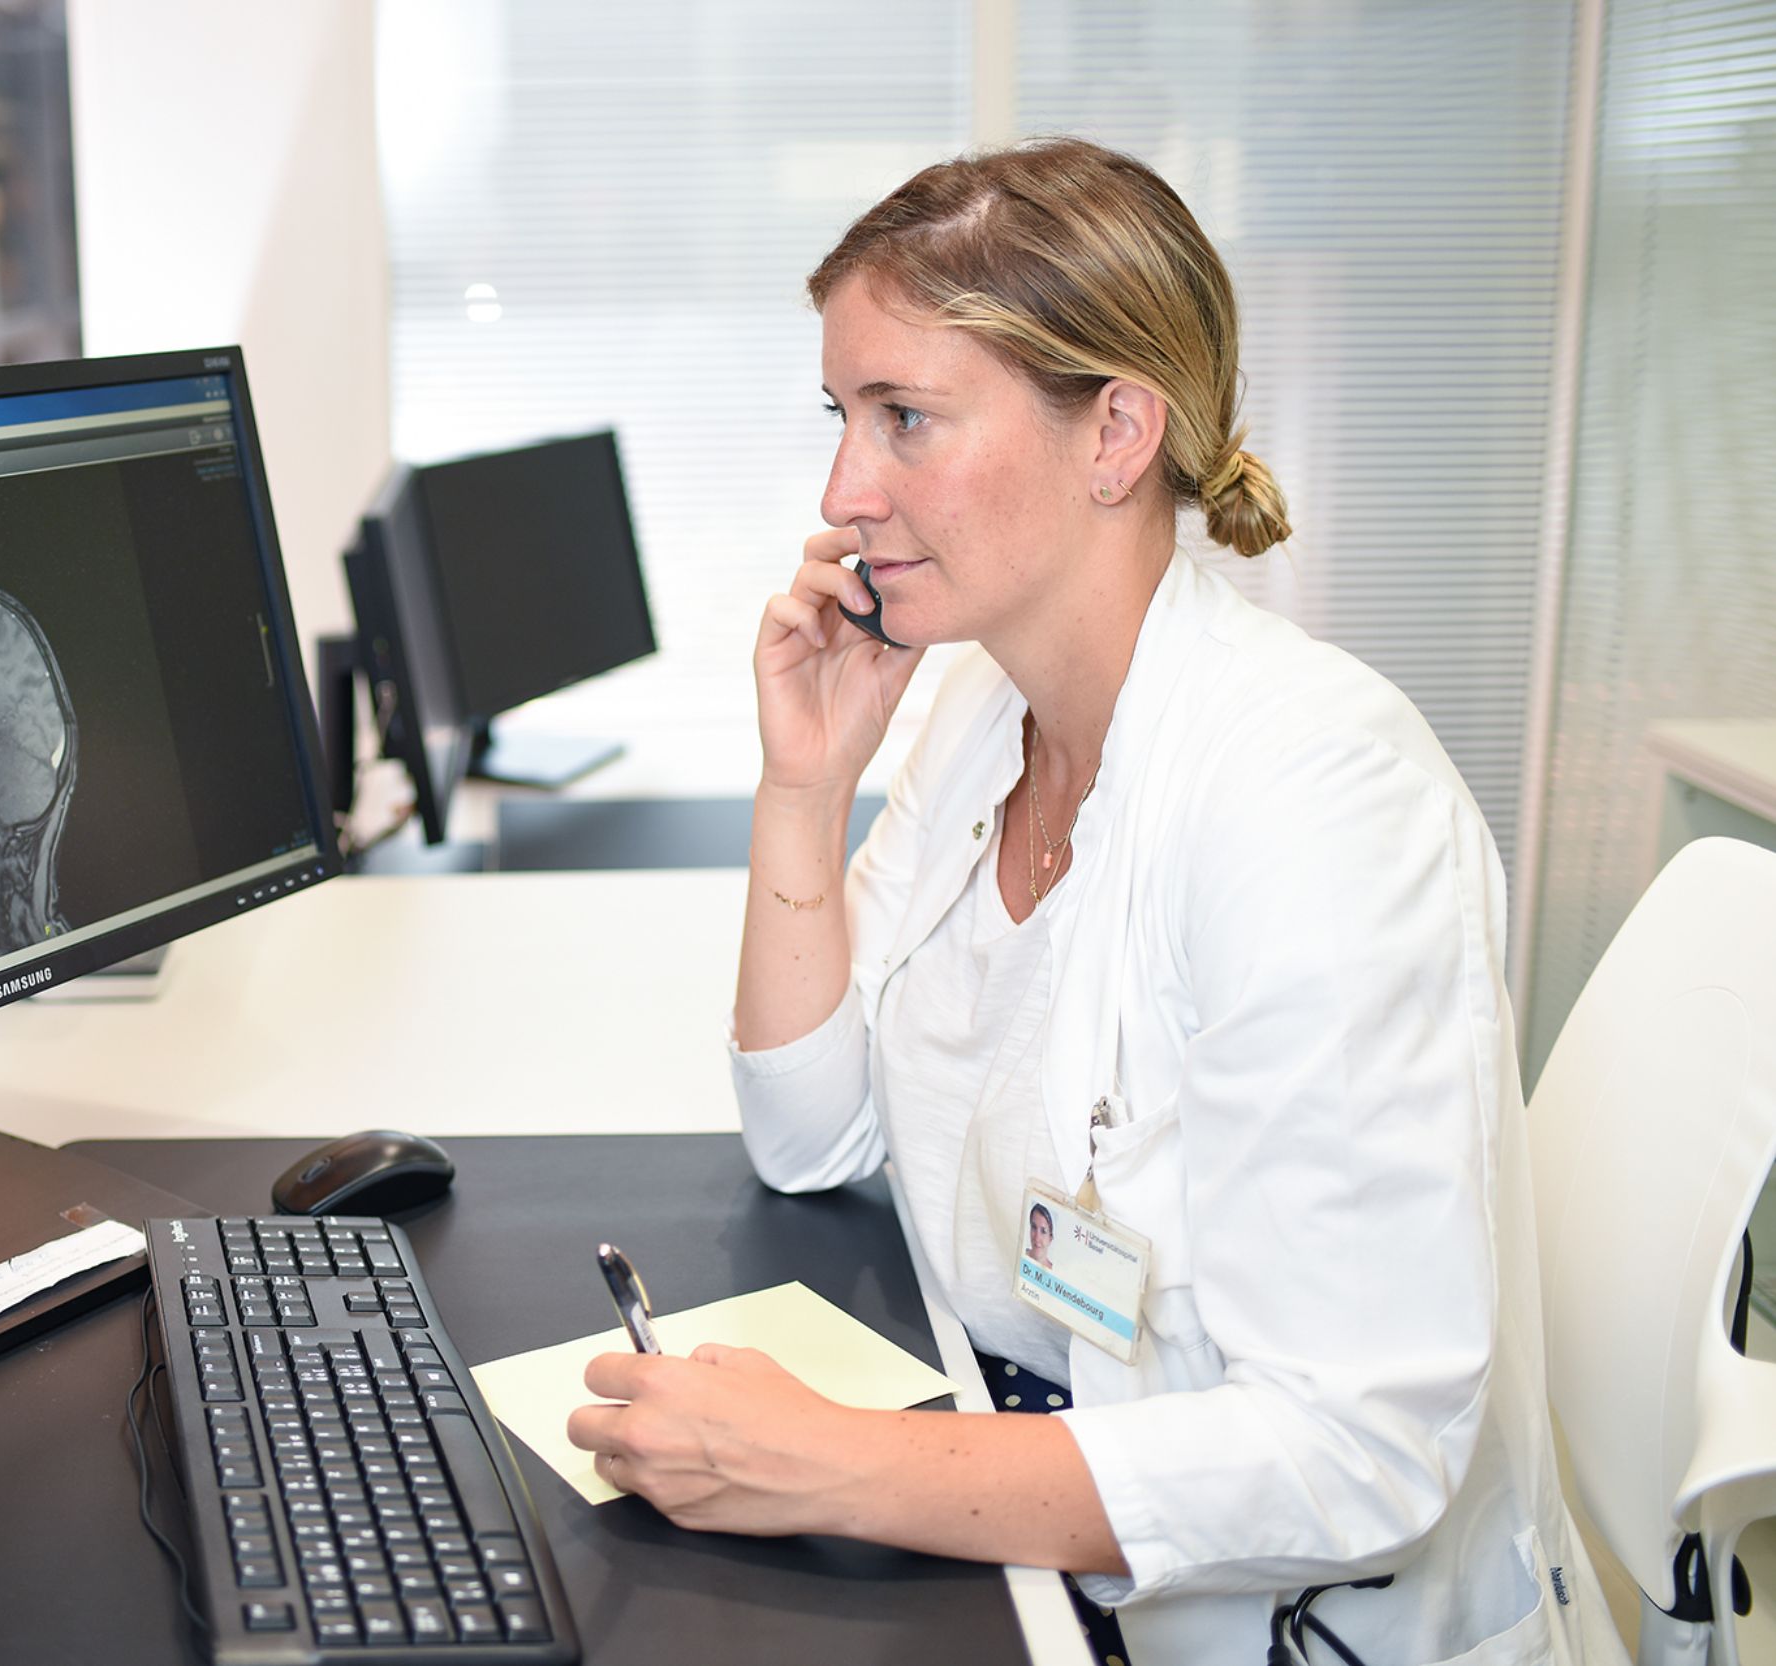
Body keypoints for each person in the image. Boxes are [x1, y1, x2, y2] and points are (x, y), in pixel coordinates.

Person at [563, 139, 1627, 1666]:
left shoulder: (1317, 802)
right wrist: (803, 780)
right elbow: (813, 1140)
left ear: (1116, 431)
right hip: (1018, 1512)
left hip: (1254, 1620)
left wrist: (827, 1462)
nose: (842, 492)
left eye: (906, 419)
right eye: (842, 416)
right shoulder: (980, 716)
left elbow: (1360, 1449)